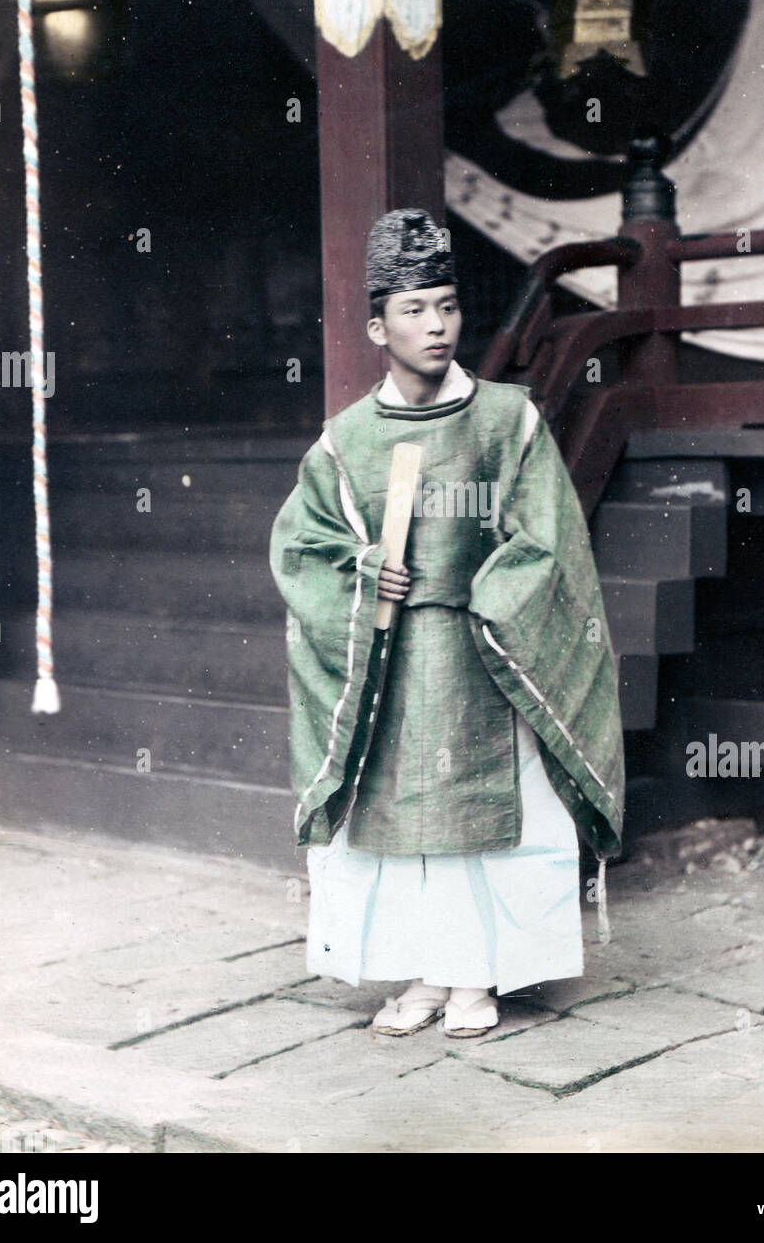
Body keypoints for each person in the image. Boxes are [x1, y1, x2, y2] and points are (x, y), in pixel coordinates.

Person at [269, 208, 624, 1038]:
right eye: (414, 309)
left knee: (487, 822)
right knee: (396, 823)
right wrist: (364, 576)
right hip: (389, 659)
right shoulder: (343, 442)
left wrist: (484, 591)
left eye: (447, 305)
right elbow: (302, 551)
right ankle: (423, 974)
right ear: (376, 325)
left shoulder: (508, 419)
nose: (436, 326)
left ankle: (476, 978)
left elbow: (547, 540)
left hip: (484, 651)